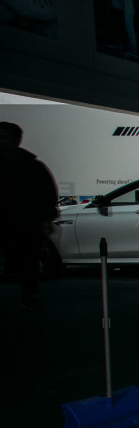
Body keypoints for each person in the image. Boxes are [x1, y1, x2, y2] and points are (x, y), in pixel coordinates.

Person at [0, 122, 59, 309]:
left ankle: (29, 294)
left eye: (4, 137)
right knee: (28, 259)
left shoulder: (33, 166)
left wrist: (46, 218)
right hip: (16, 220)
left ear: (16, 140)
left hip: (26, 221)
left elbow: (48, 193)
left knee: (29, 259)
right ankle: (29, 295)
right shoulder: (32, 165)